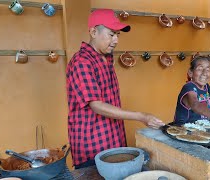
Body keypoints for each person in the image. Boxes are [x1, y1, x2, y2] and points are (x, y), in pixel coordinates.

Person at [65, 9, 165, 169]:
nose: (116, 40)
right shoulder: (82, 62)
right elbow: (96, 105)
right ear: (93, 32)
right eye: (111, 34)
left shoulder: (105, 58)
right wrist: (141, 116)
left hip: (112, 139)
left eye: (118, 34)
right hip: (92, 146)